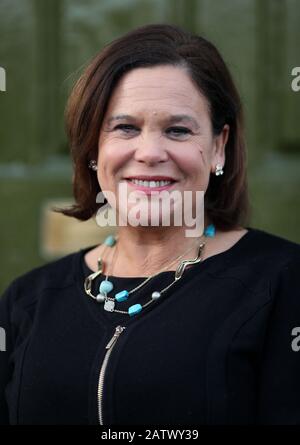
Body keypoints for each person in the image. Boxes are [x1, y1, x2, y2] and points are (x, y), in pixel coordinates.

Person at [0, 23, 299, 426]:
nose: (150, 152)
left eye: (178, 130)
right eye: (126, 128)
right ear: (93, 146)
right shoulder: (28, 300)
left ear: (218, 146)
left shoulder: (284, 283)